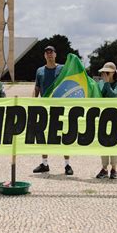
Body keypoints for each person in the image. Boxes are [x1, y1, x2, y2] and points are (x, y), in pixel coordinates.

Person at [32, 46, 73, 175]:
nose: (49, 54)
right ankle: (44, 163)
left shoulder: (62, 69)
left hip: (60, 107)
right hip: (44, 107)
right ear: (44, 55)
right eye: (47, 53)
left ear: (55, 54)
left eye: (51, 52)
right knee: (43, 135)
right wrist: (32, 102)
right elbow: (37, 88)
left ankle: (67, 164)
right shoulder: (40, 71)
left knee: (63, 135)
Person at [95, 62, 117, 180]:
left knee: (114, 142)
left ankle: (114, 168)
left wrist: (107, 83)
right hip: (102, 115)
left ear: (113, 73)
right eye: (103, 72)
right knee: (102, 141)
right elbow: (98, 96)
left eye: (107, 72)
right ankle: (104, 167)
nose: (104, 74)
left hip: (115, 115)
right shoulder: (99, 83)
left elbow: (114, 96)